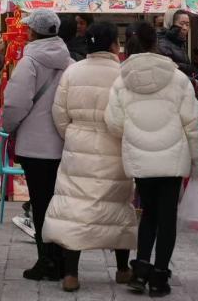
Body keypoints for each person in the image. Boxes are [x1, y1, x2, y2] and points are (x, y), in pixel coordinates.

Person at [106, 20, 198, 297]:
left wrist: (135, 134)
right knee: (167, 218)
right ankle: (160, 276)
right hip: (173, 160)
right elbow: (193, 125)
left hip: (140, 160)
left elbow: (113, 123)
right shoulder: (178, 79)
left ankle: (140, 270)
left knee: (148, 214)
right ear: (155, 43)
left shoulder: (121, 80)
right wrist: (196, 163)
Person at [45, 20, 136, 292]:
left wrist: (73, 134)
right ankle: (122, 269)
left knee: (75, 209)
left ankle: (71, 274)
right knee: (117, 207)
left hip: (78, 146)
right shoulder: (122, 74)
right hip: (114, 147)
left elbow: (59, 113)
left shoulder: (73, 71)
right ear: (115, 44)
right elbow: (129, 115)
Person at [0, 9, 73, 282]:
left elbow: (15, 104)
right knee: (59, 204)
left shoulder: (29, 62)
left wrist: (9, 127)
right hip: (64, 144)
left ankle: (46, 261)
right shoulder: (70, 62)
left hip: (34, 146)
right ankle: (62, 259)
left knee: (41, 205)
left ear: (32, 31)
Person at [155, 9, 196, 78]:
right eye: (181, 24)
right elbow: (166, 71)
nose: (185, 28)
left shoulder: (178, 42)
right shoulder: (163, 44)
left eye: (187, 24)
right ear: (170, 24)